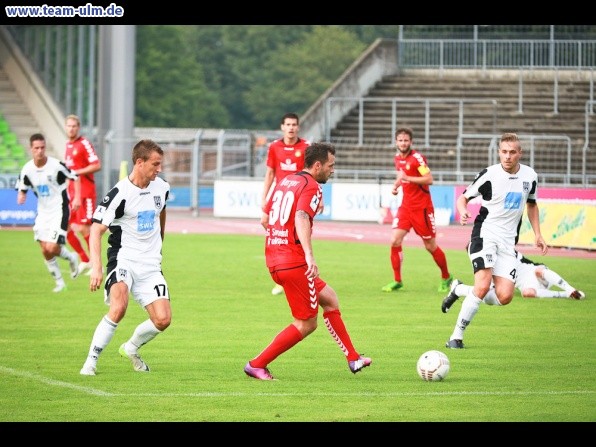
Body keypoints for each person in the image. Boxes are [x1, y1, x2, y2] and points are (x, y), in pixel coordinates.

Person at [245, 142, 371, 380]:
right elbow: (302, 216)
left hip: (274, 257)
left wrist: (280, 241)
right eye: (330, 166)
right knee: (306, 323)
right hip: (293, 262)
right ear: (317, 165)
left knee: (330, 299)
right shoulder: (311, 186)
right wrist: (309, 255)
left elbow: (266, 219)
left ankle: (353, 358)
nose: (332, 170)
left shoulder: (287, 181)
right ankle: (257, 364)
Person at [444, 132, 549, 349]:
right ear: (499, 152)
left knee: (505, 296)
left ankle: (460, 289)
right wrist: (463, 211)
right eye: (504, 152)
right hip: (485, 235)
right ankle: (456, 337)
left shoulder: (530, 176)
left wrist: (538, 234)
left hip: (508, 244)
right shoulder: (489, 175)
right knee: (482, 286)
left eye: (512, 152)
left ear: (520, 153)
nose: (508, 156)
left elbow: (532, 204)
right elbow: (463, 197)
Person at [80, 139, 171, 376]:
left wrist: (160, 240)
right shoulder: (119, 194)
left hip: (150, 265)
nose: (159, 169)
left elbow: (161, 212)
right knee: (119, 307)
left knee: (163, 320)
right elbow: (95, 230)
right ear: (139, 163)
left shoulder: (161, 187)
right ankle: (91, 361)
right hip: (123, 260)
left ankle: (130, 348)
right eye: (155, 164)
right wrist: (97, 267)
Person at [381, 126, 452, 293]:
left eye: (406, 140)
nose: (403, 143)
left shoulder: (417, 159)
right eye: (400, 140)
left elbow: (429, 179)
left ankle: (446, 277)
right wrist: (396, 185)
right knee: (394, 240)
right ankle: (397, 281)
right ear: (396, 142)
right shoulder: (398, 158)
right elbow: (401, 175)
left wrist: (407, 178)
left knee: (430, 245)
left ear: (411, 142)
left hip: (422, 209)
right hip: (406, 207)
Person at [16, 133, 80, 292]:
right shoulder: (27, 169)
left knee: (51, 248)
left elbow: (75, 177)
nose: (40, 151)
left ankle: (72, 257)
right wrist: (21, 195)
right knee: (45, 249)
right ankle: (60, 283)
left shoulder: (56, 165)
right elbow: (22, 187)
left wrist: (77, 198)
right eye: (36, 148)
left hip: (59, 209)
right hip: (42, 212)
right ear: (31, 149)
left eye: (42, 147)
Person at [261, 112, 311, 296]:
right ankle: (282, 266)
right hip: (278, 195)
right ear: (282, 127)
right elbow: (270, 173)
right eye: (288, 124)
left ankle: (295, 270)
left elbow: (312, 174)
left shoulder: (305, 147)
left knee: (296, 233)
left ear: (298, 127)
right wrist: (264, 197)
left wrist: (317, 197)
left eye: (294, 124)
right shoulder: (275, 147)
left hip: (298, 195)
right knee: (265, 221)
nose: (291, 128)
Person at [442, 251, 585, 313]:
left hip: (533, 271)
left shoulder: (505, 251)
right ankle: (459, 289)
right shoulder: (492, 260)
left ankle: (569, 289)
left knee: (540, 271)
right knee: (526, 293)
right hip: (525, 284)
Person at [64, 114, 101, 276]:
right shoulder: (68, 145)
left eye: (74, 126)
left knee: (85, 228)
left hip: (85, 193)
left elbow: (97, 164)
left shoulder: (84, 143)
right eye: (69, 126)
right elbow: (69, 173)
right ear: (66, 127)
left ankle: (96, 263)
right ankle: (85, 259)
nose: (71, 129)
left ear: (78, 128)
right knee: (65, 227)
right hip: (72, 194)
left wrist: (77, 172)